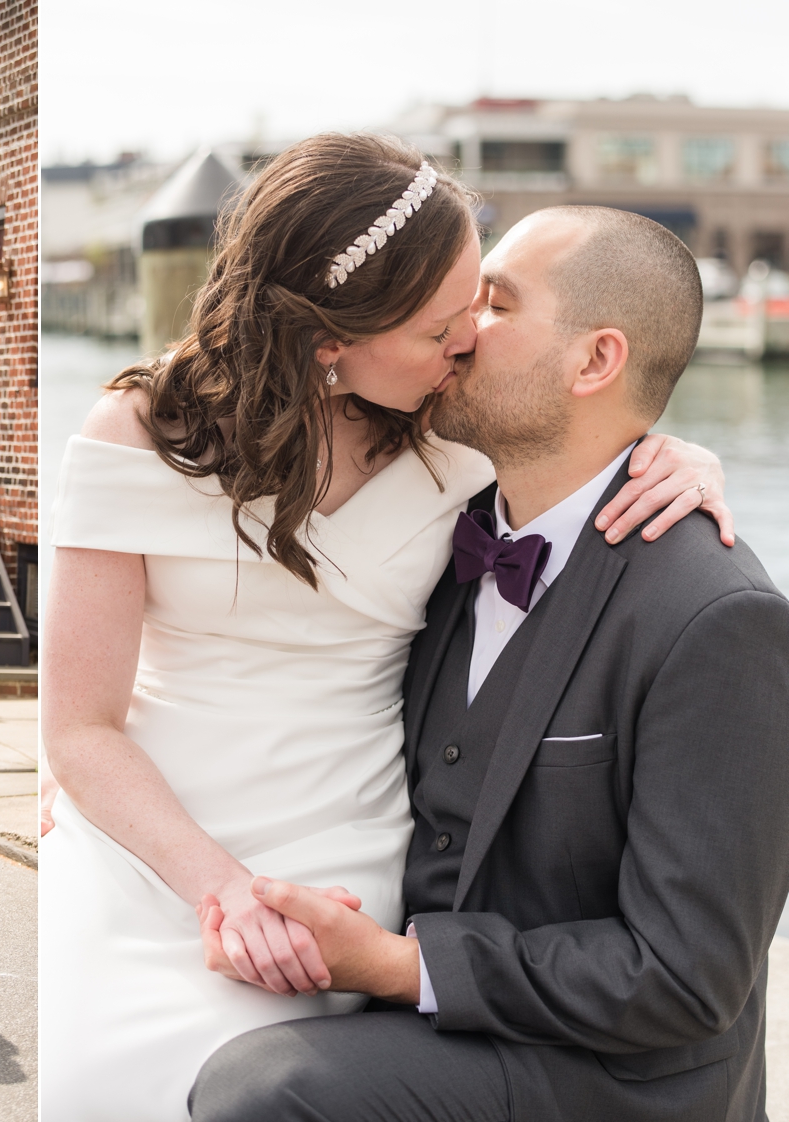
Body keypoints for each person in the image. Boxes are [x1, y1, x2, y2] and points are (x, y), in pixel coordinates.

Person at [38, 135, 737, 1122]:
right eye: (444, 325)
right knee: (84, 1077)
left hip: (343, 841)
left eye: (483, 304)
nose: (468, 345)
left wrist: (677, 455)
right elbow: (78, 729)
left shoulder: (454, 437)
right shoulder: (135, 436)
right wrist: (220, 887)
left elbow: (580, 433)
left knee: (249, 1080)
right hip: (154, 841)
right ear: (332, 340)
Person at [189, 206, 789, 1122]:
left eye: (495, 304)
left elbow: (685, 976)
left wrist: (396, 967)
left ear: (596, 361)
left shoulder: (718, 619)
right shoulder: (443, 524)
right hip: (433, 1005)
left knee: (265, 1092)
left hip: (608, 1074)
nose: (461, 330)